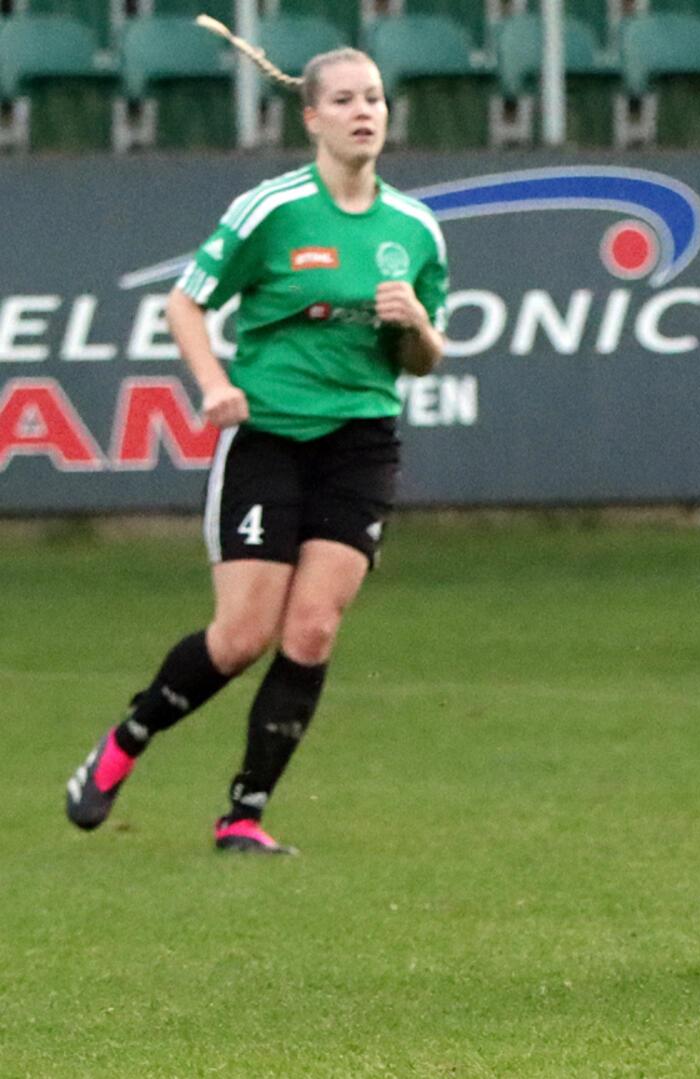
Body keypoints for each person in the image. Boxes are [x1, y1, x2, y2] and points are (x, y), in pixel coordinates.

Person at [62, 30, 447, 855]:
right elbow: (184, 303)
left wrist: (415, 321)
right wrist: (213, 385)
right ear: (311, 117)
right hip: (268, 436)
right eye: (343, 100)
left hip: (362, 440)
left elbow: (423, 358)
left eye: (373, 98)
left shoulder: (414, 229)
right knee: (241, 636)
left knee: (311, 631)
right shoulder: (272, 210)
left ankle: (244, 813)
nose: (362, 113)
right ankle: (127, 737)